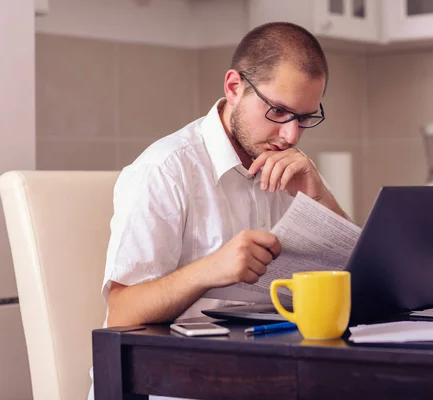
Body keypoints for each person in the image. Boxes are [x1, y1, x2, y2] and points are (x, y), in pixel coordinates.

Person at [89, 21, 349, 400]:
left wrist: (321, 197)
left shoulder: (289, 164)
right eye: (278, 111)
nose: (292, 135)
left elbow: (358, 277)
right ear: (234, 87)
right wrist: (212, 269)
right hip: (174, 384)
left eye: (305, 118)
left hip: (267, 376)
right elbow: (121, 313)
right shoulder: (166, 170)